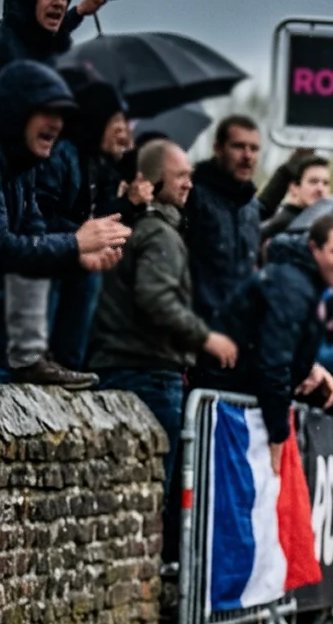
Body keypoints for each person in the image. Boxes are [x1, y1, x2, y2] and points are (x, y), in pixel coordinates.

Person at [88, 140, 237, 513]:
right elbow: (157, 300)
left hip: (123, 370)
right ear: (154, 180)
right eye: (181, 176)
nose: (189, 184)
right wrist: (206, 338)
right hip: (149, 377)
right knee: (146, 500)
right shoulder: (158, 234)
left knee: (122, 499)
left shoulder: (136, 228)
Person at [0, 61, 128, 385]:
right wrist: (74, 242)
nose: (56, 123)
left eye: (62, 115)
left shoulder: (24, 158)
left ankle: (29, 363)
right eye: (46, 111)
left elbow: (34, 233)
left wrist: (74, 255)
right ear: (16, 110)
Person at [195, 216, 333, 463]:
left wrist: (310, 368)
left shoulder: (308, 282)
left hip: (242, 404)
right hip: (230, 407)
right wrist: (278, 434)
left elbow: (284, 347)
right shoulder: (292, 286)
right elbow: (274, 360)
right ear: (314, 249)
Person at [186, 116, 262, 321]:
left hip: (238, 327)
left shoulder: (251, 207)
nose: (247, 156)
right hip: (199, 326)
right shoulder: (193, 196)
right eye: (238, 146)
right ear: (218, 149)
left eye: (254, 149)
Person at [259, 154, 329, 244]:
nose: (320, 189)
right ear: (294, 188)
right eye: (313, 182)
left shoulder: (325, 220)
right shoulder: (282, 224)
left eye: (325, 183)